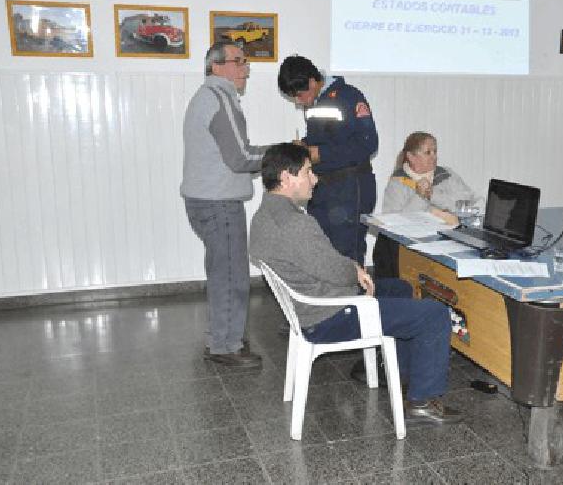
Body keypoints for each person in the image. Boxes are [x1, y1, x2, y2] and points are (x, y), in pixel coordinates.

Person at [250, 143, 466, 425]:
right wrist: (354, 273)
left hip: (309, 305)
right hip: (330, 314)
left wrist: (351, 271)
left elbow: (321, 263)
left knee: (400, 289)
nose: (315, 179)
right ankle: (423, 401)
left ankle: (399, 374)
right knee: (434, 314)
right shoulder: (294, 224)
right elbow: (336, 273)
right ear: (286, 177)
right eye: (308, 172)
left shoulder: (264, 216)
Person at [179, 41, 272, 368]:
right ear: (217, 66)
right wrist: (284, 153)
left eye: (245, 62)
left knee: (222, 273)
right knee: (231, 276)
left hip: (203, 201)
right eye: (239, 61)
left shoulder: (204, 97)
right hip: (219, 204)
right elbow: (241, 157)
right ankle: (225, 346)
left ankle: (223, 335)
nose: (246, 68)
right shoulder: (220, 100)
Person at [277, 55, 378, 265]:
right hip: (323, 189)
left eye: (300, 95)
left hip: (351, 188)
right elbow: (323, 140)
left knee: (346, 258)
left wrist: (320, 154)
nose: (299, 101)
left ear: (313, 82)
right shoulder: (315, 102)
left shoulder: (349, 96)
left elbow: (368, 144)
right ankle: (329, 298)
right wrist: (303, 147)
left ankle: (353, 299)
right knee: (323, 253)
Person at [372, 131, 479, 279]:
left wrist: (432, 195)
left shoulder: (446, 174)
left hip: (449, 240)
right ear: (411, 157)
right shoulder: (398, 182)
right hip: (410, 247)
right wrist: (420, 196)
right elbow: (395, 222)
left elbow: (466, 203)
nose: (434, 156)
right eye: (428, 152)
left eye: (435, 151)